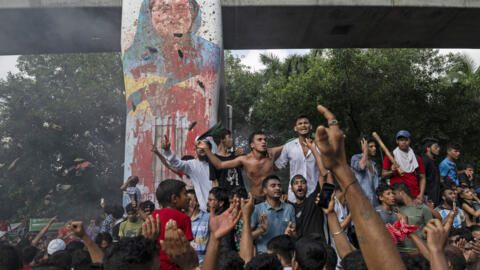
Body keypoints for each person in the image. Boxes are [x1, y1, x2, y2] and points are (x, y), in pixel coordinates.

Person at [200, 131, 283, 202]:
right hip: (256, 200)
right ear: (252, 145)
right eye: (260, 140)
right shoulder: (244, 160)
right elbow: (219, 165)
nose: (264, 142)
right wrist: (207, 150)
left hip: (273, 199)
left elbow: (289, 145)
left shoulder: (272, 152)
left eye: (265, 140)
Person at [153, 137, 212, 212]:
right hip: (204, 210)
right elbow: (176, 163)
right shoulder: (193, 165)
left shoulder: (218, 164)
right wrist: (167, 151)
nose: (201, 148)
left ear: (209, 148)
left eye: (204, 145)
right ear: (195, 150)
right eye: (198, 146)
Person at [275, 114, 323, 203]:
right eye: (300, 123)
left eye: (306, 123)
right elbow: (277, 167)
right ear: (295, 128)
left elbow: (326, 171)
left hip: (316, 194)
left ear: (310, 126)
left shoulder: (320, 146)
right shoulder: (289, 146)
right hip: (294, 196)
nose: (303, 125)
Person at [151, 179, 193, 270]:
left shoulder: (153, 216)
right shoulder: (184, 218)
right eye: (185, 194)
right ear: (174, 198)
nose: (188, 197)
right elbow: (186, 250)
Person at [251, 175, 296, 254]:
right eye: (273, 186)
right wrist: (262, 230)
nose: (277, 188)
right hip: (264, 256)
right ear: (265, 190)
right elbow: (247, 237)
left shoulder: (289, 208)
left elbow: (295, 236)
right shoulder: (257, 209)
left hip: (285, 256)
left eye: (279, 185)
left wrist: (291, 234)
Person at [382, 130, 426, 205]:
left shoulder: (416, 158)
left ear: (409, 141)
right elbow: (383, 175)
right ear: (397, 141)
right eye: (401, 140)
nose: (404, 142)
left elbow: (422, 177)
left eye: (406, 140)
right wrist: (392, 171)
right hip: (398, 197)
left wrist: (421, 194)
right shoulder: (391, 156)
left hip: (414, 195)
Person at [392, 182, 433, 253]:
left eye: (394, 194)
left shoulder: (422, 208)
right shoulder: (396, 209)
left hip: (419, 251)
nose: (393, 197)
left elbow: (431, 230)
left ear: (401, 193)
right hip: (401, 251)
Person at [290, 173, 327, 242]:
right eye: (296, 183)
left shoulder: (314, 200)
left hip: (319, 247)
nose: (300, 185)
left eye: (303, 183)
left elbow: (323, 174)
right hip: (301, 249)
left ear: (306, 187)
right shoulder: (290, 208)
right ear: (292, 189)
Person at [351, 136, 380, 206]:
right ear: (363, 147)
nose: (374, 148)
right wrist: (365, 152)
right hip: (361, 201)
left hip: (374, 202)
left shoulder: (374, 164)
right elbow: (362, 166)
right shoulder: (355, 158)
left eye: (374, 146)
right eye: (371, 146)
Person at [207, 187, 236, 252]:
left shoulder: (223, 219)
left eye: (211, 200)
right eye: (208, 200)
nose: (207, 203)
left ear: (221, 203)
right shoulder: (214, 217)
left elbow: (225, 247)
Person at [186, 189, 209, 265]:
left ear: (197, 202)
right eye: (185, 200)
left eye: (189, 200)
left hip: (205, 265)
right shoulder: (183, 220)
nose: (186, 202)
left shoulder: (208, 218)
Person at [421, 137, 442, 206]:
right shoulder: (424, 161)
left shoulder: (435, 162)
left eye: (438, 147)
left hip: (435, 196)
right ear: (428, 148)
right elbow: (421, 179)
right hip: (427, 197)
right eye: (436, 147)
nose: (438, 149)